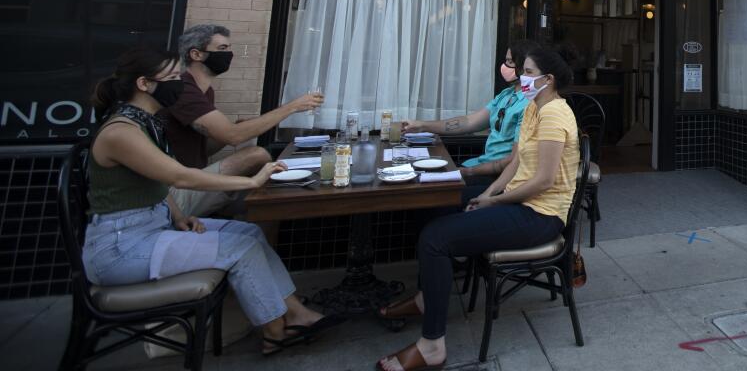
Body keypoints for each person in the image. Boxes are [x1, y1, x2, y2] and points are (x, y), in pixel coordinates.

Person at [82, 46, 343, 357]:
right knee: (240, 248)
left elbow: (157, 182)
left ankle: (296, 313)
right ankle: (275, 332)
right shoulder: (121, 131)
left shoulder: (144, 122)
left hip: (152, 229)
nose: (180, 82)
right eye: (173, 77)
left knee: (250, 233)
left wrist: (178, 215)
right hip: (120, 249)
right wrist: (251, 181)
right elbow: (180, 177)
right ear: (144, 84)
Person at [376, 43, 582, 371]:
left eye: (528, 73)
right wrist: (487, 194)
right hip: (519, 200)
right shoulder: (533, 107)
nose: (522, 78)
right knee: (435, 205)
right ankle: (429, 296)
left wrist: (493, 201)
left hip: (540, 214)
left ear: (549, 79)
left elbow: (543, 181)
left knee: (435, 239)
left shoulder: (556, 113)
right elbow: (516, 164)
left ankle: (432, 346)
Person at [162, 24, 323, 217]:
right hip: (170, 197)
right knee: (256, 156)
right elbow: (234, 137)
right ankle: (270, 217)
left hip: (192, 181)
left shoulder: (205, 91)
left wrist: (237, 129)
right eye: (222, 49)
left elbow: (205, 148)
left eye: (229, 48)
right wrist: (293, 106)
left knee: (255, 173)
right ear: (196, 54)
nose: (229, 54)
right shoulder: (183, 90)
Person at [398, 40, 538, 203]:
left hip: (495, 177)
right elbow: (469, 122)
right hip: (479, 165)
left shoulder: (529, 104)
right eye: (505, 61)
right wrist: (421, 125)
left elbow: (511, 160)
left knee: (432, 194)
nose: (504, 66)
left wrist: (466, 171)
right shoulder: (506, 94)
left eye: (510, 62)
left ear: (523, 67)